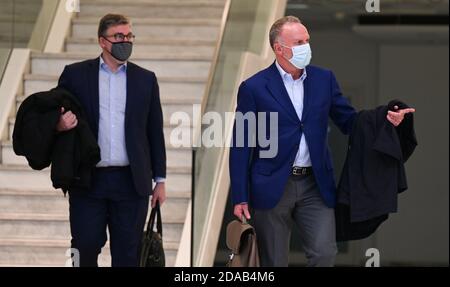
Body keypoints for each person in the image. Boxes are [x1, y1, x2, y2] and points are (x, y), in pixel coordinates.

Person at [229, 16, 415, 267]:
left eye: (307, 40)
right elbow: (241, 143)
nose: (306, 46)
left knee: (324, 252)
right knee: (274, 261)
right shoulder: (253, 88)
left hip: (315, 184)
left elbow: (349, 121)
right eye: (299, 41)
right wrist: (240, 196)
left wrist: (385, 118)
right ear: (279, 48)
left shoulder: (324, 79)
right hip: (271, 184)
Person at [57, 14, 167, 267]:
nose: (125, 41)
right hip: (87, 180)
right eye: (119, 36)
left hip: (131, 182)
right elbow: (55, 110)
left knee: (128, 254)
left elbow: (154, 130)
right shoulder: (75, 75)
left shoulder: (145, 79)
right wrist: (59, 124)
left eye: (129, 36)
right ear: (102, 41)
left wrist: (160, 179)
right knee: (83, 248)